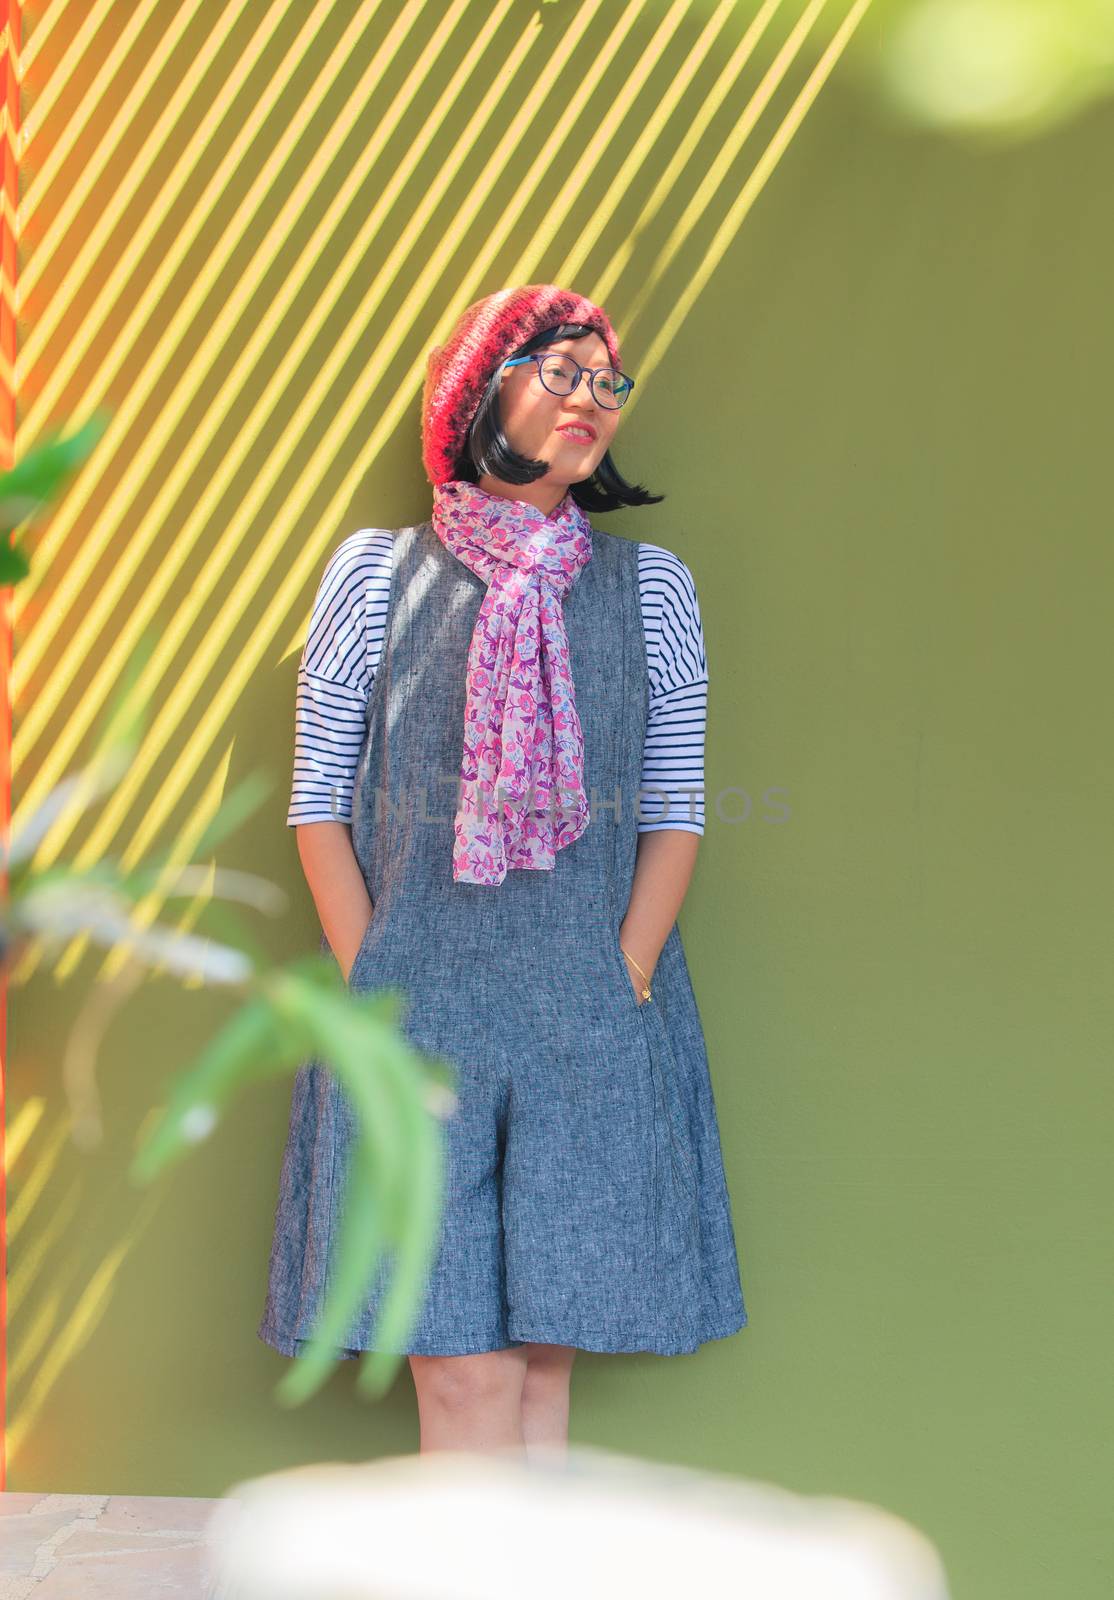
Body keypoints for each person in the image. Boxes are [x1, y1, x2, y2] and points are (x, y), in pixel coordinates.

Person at [258, 283, 748, 1456]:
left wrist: (623, 971)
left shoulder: (653, 588)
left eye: (608, 380)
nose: (593, 399)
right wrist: (375, 971)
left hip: (589, 1012)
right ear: (482, 393)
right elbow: (318, 801)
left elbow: (674, 809)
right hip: (416, 1012)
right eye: (562, 371)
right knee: (463, 1383)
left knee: (536, 1378)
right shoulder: (374, 577)